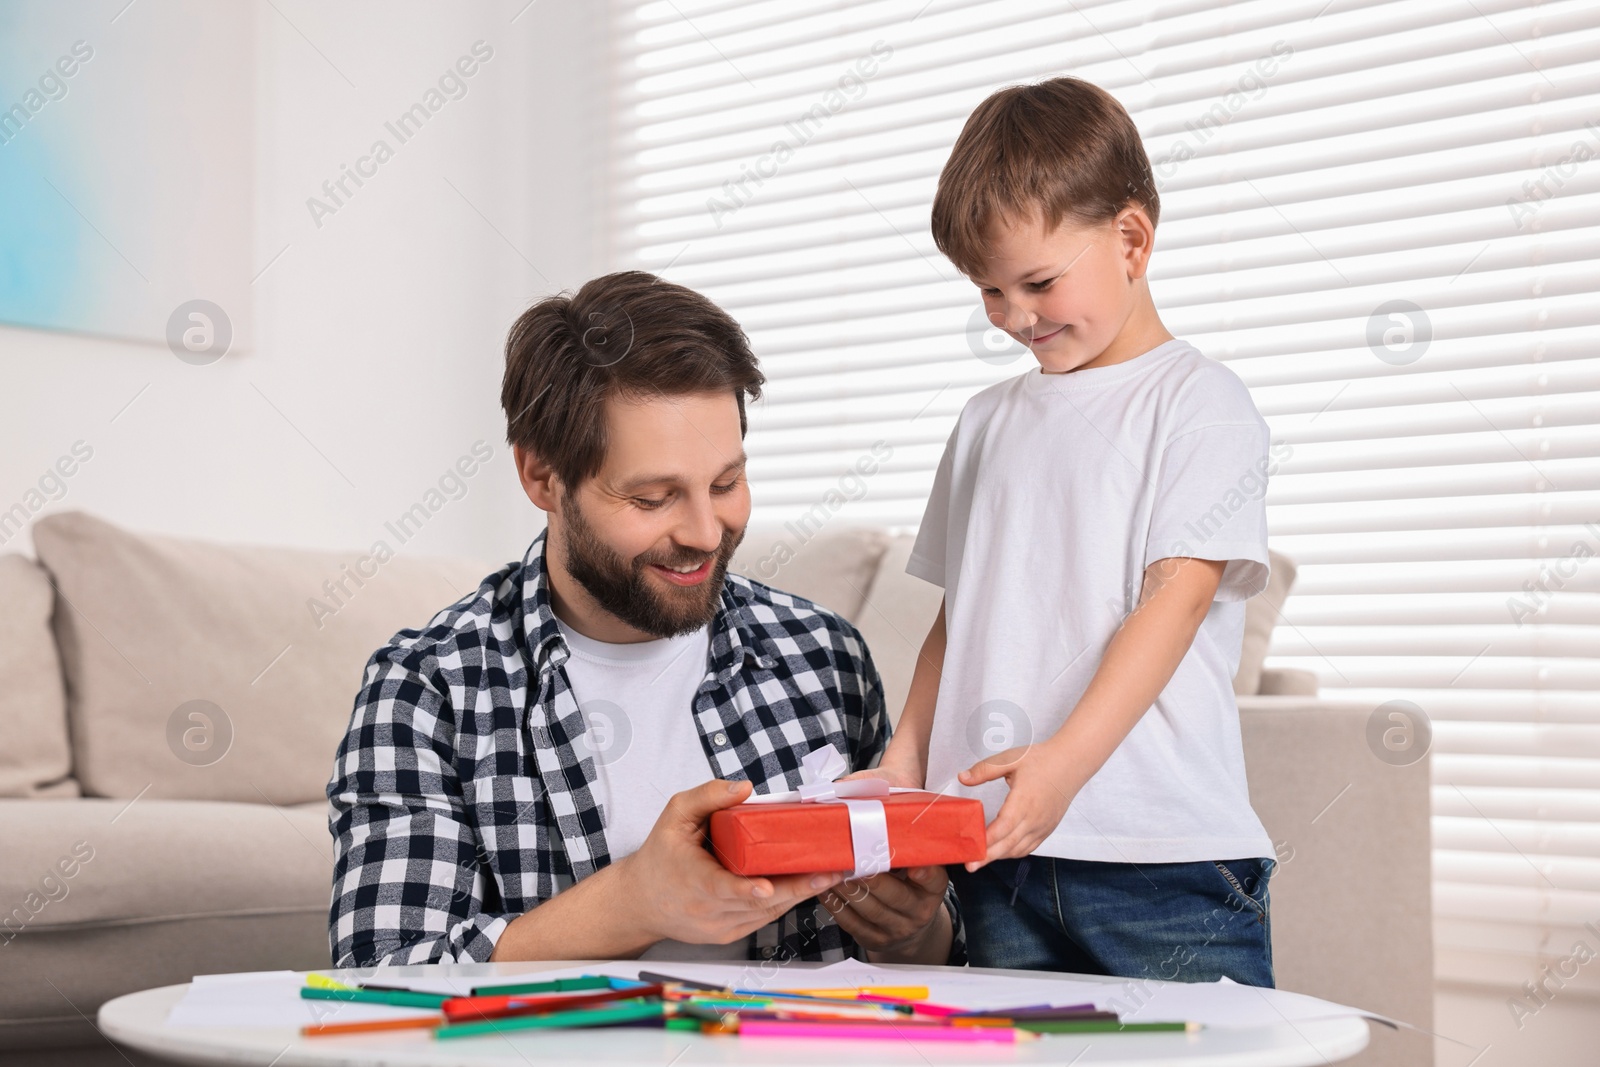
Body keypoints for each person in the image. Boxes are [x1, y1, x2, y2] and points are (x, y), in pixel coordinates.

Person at [326, 271, 960, 968]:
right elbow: (382, 973)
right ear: (542, 476)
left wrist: (913, 934)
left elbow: (945, 946)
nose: (705, 532)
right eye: (654, 497)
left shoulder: (822, 655)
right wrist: (635, 900)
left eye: (724, 484)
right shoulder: (428, 689)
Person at [868, 78, 1280, 986]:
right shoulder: (985, 420)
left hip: (1158, 851)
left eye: (1039, 282)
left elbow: (1174, 605)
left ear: (1131, 239)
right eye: (990, 291)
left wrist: (1061, 769)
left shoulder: (1199, 404)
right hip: (997, 851)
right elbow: (959, 616)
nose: (1017, 316)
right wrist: (904, 757)